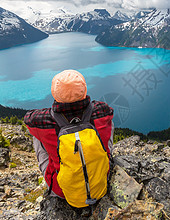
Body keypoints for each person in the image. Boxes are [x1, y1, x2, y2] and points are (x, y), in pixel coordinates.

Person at [24, 69, 114, 198]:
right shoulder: (101, 110)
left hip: (63, 191)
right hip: (101, 181)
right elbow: (110, 112)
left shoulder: (42, 121)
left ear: (54, 94)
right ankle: (106, 158)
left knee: (36, 135)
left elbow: (27, 118)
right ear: (84, 89)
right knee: (109, 122)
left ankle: (56, 169)